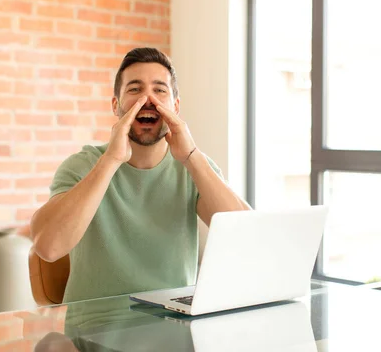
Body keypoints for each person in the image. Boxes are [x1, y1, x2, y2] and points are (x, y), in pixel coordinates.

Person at [30, 47, 250, 303]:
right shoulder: (82, 165)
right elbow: (49, 247)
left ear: (175, 106)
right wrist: (111, 160)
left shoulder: (194, 168)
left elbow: (247, 236)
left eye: (159, 90)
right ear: (116, 105)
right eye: (135, 89)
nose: (148, 99)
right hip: (92, 333)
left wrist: (191, 155)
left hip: (171, 329)